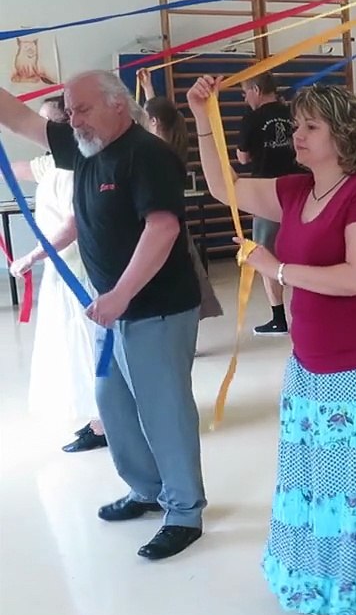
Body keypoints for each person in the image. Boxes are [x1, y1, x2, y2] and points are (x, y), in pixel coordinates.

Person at [189, 77, 356, 615]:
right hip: (312, 365)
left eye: (309, 126)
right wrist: (204, 117)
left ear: (342, 135)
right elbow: (223, 187)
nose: (296, 135)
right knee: (324, 482)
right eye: (298, 125)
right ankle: (327, 584)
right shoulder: (296, 191)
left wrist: (273, 267)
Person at [0, 71, 206, 560]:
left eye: (83, 109)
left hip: (155, 308)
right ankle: (147, 489)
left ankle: (184, 512)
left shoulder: (148, 155)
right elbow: (22, 119)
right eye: (69, 111)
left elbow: (162, 230)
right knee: (111, 403)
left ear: (118, 105)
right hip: (113, 310)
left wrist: (121, 295)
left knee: (164, 411)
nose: (73, 120)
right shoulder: (84, 147)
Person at [8, 96, 106, 453]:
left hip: (79, 268)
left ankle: (105, 422)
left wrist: (32, 256)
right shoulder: (50, 163)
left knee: (89, 344)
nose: (42, 131)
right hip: (59, 270)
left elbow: (74, 225)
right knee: (71, 345)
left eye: (49, 123)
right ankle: (97, 419)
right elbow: (17, 168)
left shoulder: (80, 165)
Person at [138, 69, 223, 322]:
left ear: (153, 123)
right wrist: (149, 90)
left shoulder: (156, 151)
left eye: (146, 119)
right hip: (171, 225)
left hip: (166, 227)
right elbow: (155, 112)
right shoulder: (167, 142)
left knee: (173, 275)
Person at [238, 73, 300, 337]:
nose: (245, 98)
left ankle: (278, 318)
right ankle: (305, 311)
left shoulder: (252, 118)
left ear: (255, 89)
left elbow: (242, 158)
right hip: (299, 188)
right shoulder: (293, 113)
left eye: (245, 93)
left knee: (265, 254)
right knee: (302, 250)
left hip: (267, 193)